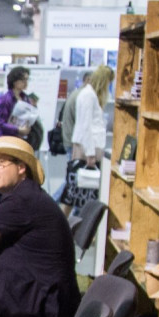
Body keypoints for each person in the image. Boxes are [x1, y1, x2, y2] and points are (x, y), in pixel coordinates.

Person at [0, 136, 81, 317]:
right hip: (27, 284)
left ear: (21, 167)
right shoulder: (25, 194)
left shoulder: (22, 199)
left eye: (0, 163)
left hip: (38, 301)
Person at [62, 65, 114, 214]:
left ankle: (73, 228)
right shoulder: (88, 96)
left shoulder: (88, 95)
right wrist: (90, 154)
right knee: (77, 193)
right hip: (86, 152)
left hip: (85, 150)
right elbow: (86, 126)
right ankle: (71, 229)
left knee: (77, 193)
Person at [0, 66, 31, 138]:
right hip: (6, 139)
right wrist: (17, 129)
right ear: (15, 81)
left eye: (27, 79)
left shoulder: (26, 98)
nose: (26, 82)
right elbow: (0, 124)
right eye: (23, 80)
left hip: (21, 138)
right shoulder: (5, 99)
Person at [60, 71, 92, 149]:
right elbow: (82, 121)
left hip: (71, 139)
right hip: (75, 142)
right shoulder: (82, 96)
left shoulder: (76, 93)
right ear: (88, 80)